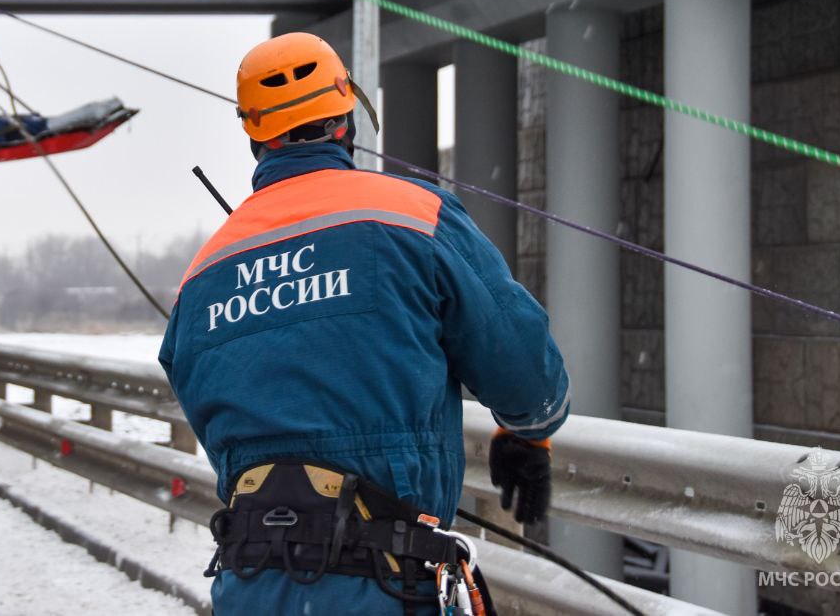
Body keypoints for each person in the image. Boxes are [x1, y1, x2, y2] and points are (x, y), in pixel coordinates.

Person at [159, 32, 570, 614]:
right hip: (385, 585)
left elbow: (223, 420)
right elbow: (524, 368)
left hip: (248, 585)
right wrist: (529, 433)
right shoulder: (412, 214)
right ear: (346, 118)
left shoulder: (201, 276)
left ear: (255, 137)